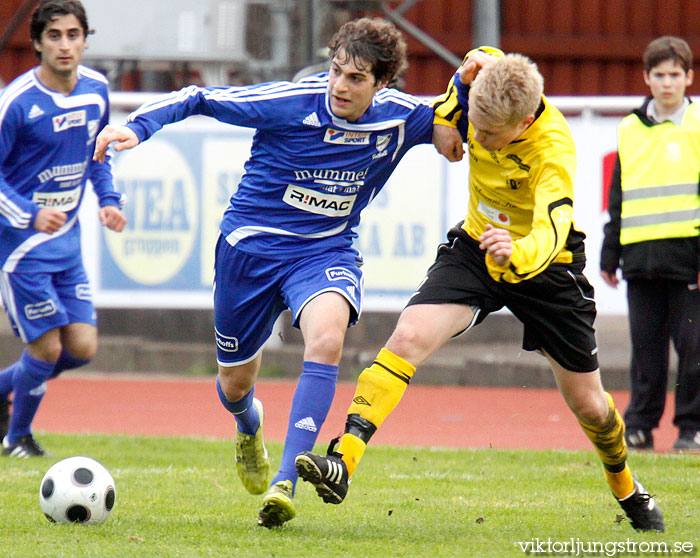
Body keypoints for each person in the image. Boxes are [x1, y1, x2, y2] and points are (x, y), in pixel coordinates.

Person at [93, 18, 464, 528]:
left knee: (327, 340)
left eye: (356, 78)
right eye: (336, 71)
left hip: (324, 252)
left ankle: (285, 481)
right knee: (234, 386)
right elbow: (198, 97)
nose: (339, 85)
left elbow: (461, 115)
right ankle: (249, 425)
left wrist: (467, 88)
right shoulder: (291, 102)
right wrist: (135, 127)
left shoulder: (399, 119)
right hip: (250, 250)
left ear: (382, 84)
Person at [295, 47, 665, 533]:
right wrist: (450, 113)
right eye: (477, 129)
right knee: (407, 336)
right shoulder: (481, 80)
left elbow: (553, 229)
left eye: (491, 135)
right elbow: (467, 68)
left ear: (526, 119)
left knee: (591, 406)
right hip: (476, 245)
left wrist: (518, 253)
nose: (480, 143)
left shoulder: (553, 148)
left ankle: (628, 489)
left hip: (545, 266)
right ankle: (344, 459)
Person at [0, 0, 126, 457]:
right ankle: (17, 439)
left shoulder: (96, 90)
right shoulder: (16, 103)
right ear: (36, 43)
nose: (65, 44)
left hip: (66, 243)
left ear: (85, 39)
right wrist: (29, 214)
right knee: (47, 348)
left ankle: (1, 392)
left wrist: (109, 201)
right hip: (20, 246)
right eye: (54, 36)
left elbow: (99, 153)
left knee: (83, 346)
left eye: (73, 34)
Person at [600, 36, 700, 453]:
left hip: (688, 259)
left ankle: (691, 429)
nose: (666, 83)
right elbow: (619, 194)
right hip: (640, 258)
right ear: (646, 77)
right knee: (645, 351)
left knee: (694, 350)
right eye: (658, 75)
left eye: (675, 75)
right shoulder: (629, 127)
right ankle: (639, 425)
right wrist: (610, 251)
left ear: (689, 78)